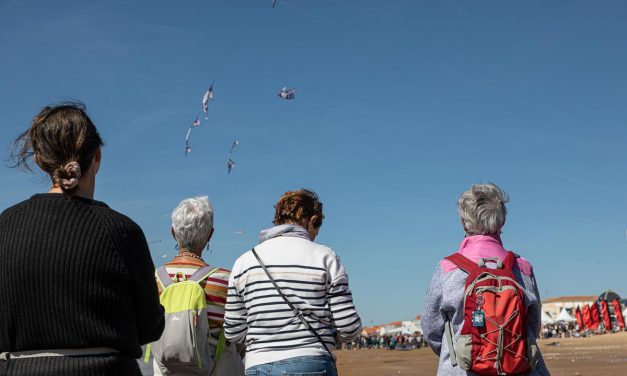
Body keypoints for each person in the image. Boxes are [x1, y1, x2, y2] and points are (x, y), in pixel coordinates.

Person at [0, 102, 164, 376]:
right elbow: (150, 327)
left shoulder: (5, 226)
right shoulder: (122, 231)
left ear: (40, 160)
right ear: (97, 156)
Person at [224, 189, 362, 376]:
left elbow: (233, 332)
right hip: (313, 362)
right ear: (312, 220)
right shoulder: (325, 257)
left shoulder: (244, 262)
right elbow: (349, 327)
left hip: (258, 365)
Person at [422, 183, 550, 375]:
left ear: (463, 222)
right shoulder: (522, 267)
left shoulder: (448, 268)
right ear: (502, 221)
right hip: (519, 368)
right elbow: (533, 325)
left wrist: (457, 353)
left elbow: (431, 327)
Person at [152, 196, 242, 376]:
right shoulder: (226, 279)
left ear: (173, 232)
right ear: (210, 234)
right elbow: (238, 333)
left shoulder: (153, 279)